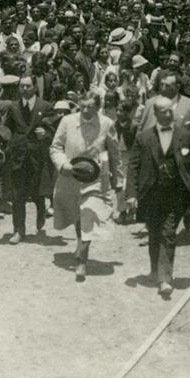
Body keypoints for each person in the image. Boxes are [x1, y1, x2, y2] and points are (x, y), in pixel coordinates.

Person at [126, 97, 190, 298]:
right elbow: (133, 167)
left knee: (168, 233)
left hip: (175, 195)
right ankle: (155, 270)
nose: (167, 114)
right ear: (155, 114)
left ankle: (165, 279)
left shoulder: (185, 137)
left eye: (169, 110)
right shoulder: (144, 138)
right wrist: (131, 195)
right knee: (154, 233)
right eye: (163, 111)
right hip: (151, 195)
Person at [50, 92, 122, 281]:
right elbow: (55, 147)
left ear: (98, 107)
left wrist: (119, 180)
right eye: (83, 106)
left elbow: (115, 154)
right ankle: (81, 241)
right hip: (70, 175)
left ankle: (81, 259)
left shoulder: (106, 124)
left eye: (90, 106)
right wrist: (63, 164)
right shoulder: (67, 121)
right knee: (76, 215)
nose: (86, 110)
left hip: (96, 178)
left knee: (88, 212)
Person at [3, 75, 54, 243]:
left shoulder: (45, 106)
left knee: (37, 190)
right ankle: (19, 230)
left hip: (37, 156)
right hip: (18, 156)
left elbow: (55, 130)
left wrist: (46, 134)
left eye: (28, 86)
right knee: (18, 194)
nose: (24, 89)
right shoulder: (13, 107)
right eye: (22, 86)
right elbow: (7, 129)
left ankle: (41, 211)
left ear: (34, 87)